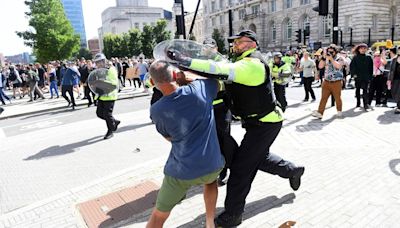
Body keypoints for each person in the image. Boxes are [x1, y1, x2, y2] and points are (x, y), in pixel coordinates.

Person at [168, 30, 304, 227]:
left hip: (266, 124)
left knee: (240, 170)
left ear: (252, 44)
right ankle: (293, 170)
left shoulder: (252, 65)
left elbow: (217, 69)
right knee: (255, 158)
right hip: (257, 123)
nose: (235, 45)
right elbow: (220, 80)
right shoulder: (241, 63)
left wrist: (185, 60)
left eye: (239, 42)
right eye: (235, 42)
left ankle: (233, 215)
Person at [146, 60, 225, 228]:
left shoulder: (157, 110)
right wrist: (187, 79)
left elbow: (169, 138)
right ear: (176, 75)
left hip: (180, 172)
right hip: (211, 164)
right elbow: (216, 83)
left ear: (153, 82)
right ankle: (210, 222)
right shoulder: (200, 89)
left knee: (158, 215)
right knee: (211, 182)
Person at [312, 44, 345, 119]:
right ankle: (320, 113)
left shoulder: (340, 58)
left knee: (337, 97)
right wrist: (324, 58)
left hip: (336, 81)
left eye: (332, 52)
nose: (330, 53)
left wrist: (331, 59)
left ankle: (339, 111)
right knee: (323, 98)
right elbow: (320, 66)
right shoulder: (326, 58)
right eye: (328, 51)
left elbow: (338, 66)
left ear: (335, 52)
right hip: (326, 81)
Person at [93, 53, 121, 139]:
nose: (97, 64)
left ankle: (110, 131)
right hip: (101, 95)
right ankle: (113, 122)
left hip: (109, 95)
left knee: (107, 114)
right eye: (96, 63)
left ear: (103, 61)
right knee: (99, 114)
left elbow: (113, 83)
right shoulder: (98, 71)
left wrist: (102, 82)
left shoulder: (110, 69)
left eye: (99, 62)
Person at [350, 43, 373, 110]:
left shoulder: (368, 57)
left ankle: (365, 104)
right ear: (358, 49)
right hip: (358, 77)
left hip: (366, 77)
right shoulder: (355, 57)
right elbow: (352, 67)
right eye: (361, 48)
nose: (363, 50)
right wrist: (354, 75)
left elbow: (371, 68)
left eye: (364, 48)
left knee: (365, 90)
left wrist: (370, 76)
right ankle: (358, 102)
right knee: (357, 89)